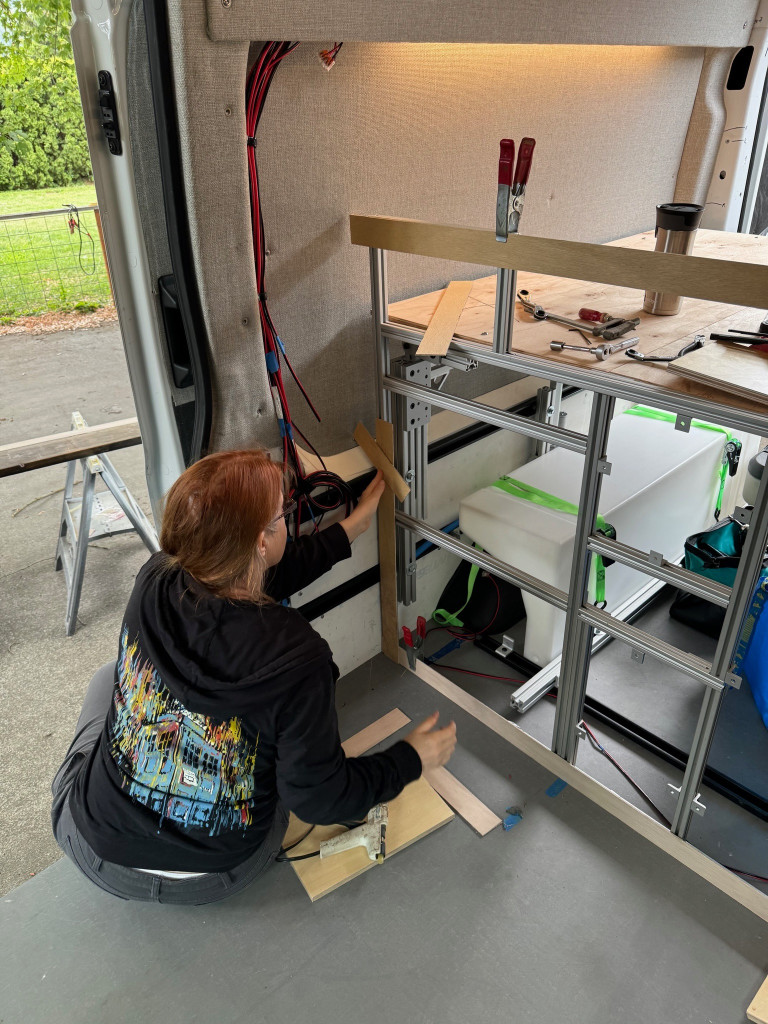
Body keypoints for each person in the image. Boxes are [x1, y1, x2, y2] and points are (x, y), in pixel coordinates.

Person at [51, 448, 457, 905]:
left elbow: (242, 576)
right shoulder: (297, 658)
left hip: (94, 844)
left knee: (110, 678)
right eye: (282, 515)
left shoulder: (155, 580)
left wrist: (351, 529)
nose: (287, 519)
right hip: (216, 871)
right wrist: (410, 758)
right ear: (262, 543)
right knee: (281, 765)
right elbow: (321, 801)